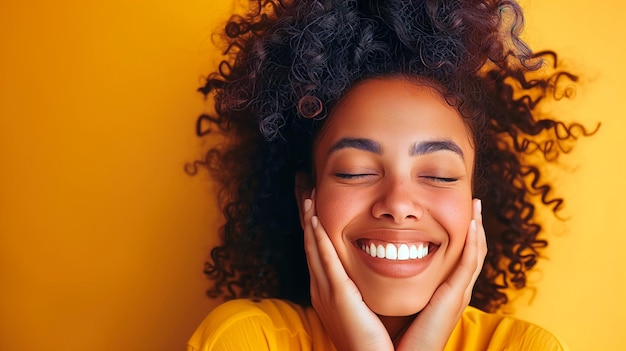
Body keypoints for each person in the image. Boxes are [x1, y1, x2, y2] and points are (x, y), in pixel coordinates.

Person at [187, 0, 594, 349]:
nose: (398, 204)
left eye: (438, 175)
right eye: (355, 171)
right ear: (305, 197)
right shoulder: (247, 339)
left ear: (475, 201)